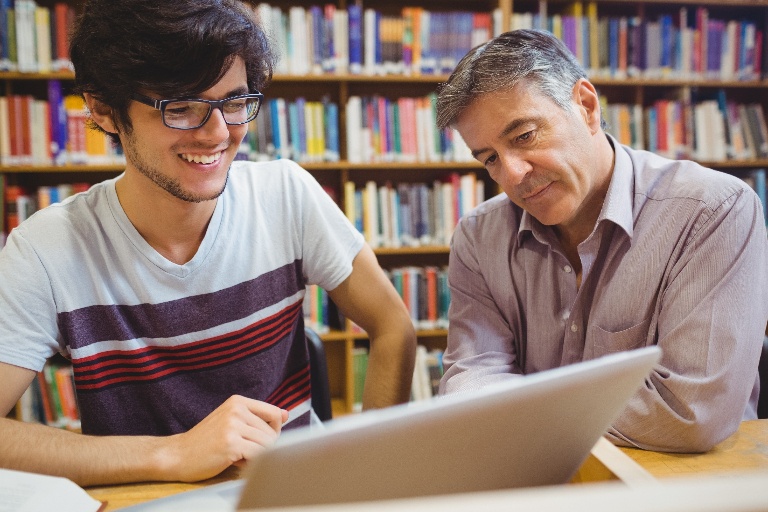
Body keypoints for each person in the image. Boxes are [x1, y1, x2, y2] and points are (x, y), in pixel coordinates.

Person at [0, 0, 416, 486]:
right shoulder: (46, 249)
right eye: (181, 107)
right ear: (103, 110)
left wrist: (366, 474)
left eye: (235, 102)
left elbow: (393, 327)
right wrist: (171, 455)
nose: (218, 133)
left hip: (291, 491)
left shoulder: (286, 195)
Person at [435, 29, 768, 453]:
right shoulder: (478, 237)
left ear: (587, 107)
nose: (512, 175)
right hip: (547, 479)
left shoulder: (710, 210)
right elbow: (467, 382)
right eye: (490, 159)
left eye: (524, 136)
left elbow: (691, 413)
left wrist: (513, 406)